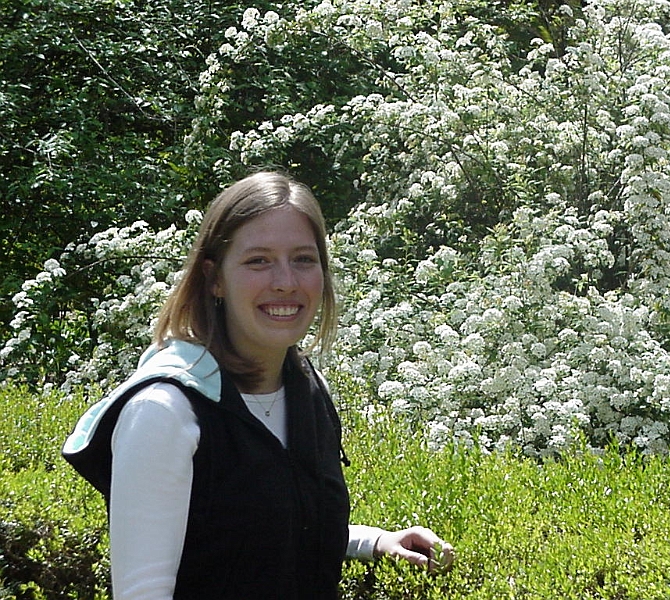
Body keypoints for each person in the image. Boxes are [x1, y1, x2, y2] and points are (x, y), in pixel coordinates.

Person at [62, 171, 454, 599]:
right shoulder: (164, 410)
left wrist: (373, 541)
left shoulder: (306, 388)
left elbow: (264, 531)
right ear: (214, 278)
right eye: (258, 261)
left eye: (303, 259)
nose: (285, 281)